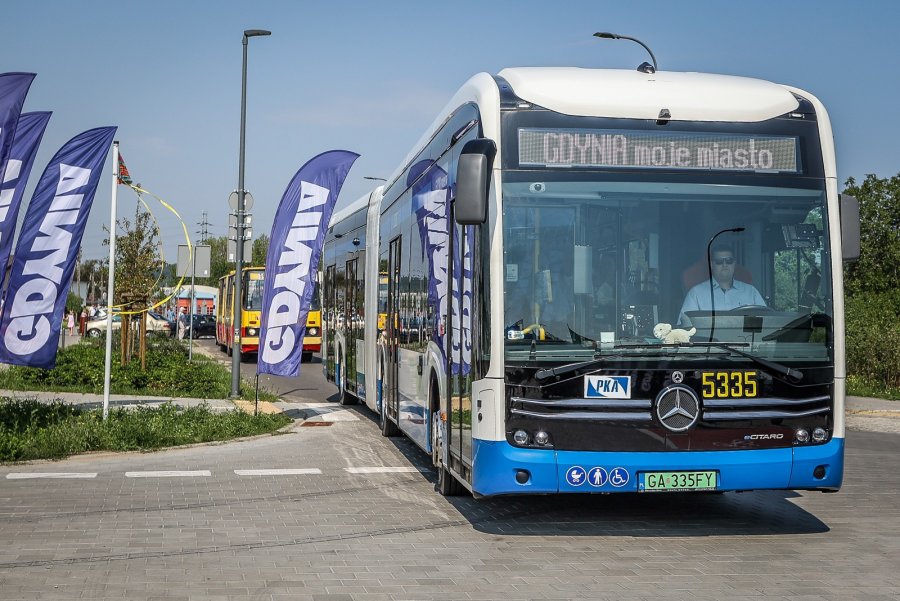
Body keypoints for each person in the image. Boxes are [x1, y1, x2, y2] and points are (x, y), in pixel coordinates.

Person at [678, 243, 765, 326]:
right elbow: (684, 327)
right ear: (712, 265)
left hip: (746, 340)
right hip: (708, 341)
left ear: (734, 264)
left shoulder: (751, 292)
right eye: (719, 261)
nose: (724, 264)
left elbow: (765, 322)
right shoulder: (696, 293)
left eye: (729, 261)